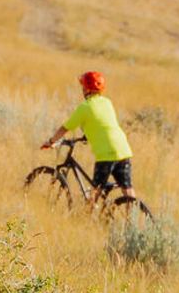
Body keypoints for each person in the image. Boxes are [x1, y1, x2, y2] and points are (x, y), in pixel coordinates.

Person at [41, 69, 134, 207]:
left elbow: (65, 128)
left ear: (87, 89)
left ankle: (86, 218)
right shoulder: (107, 102)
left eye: (83, 86)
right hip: (123, 149)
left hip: (106, 153)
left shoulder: (84, 107)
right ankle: (131, 217)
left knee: (96, 191)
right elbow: (102, 123)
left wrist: (50, 142)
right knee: (127, 189)